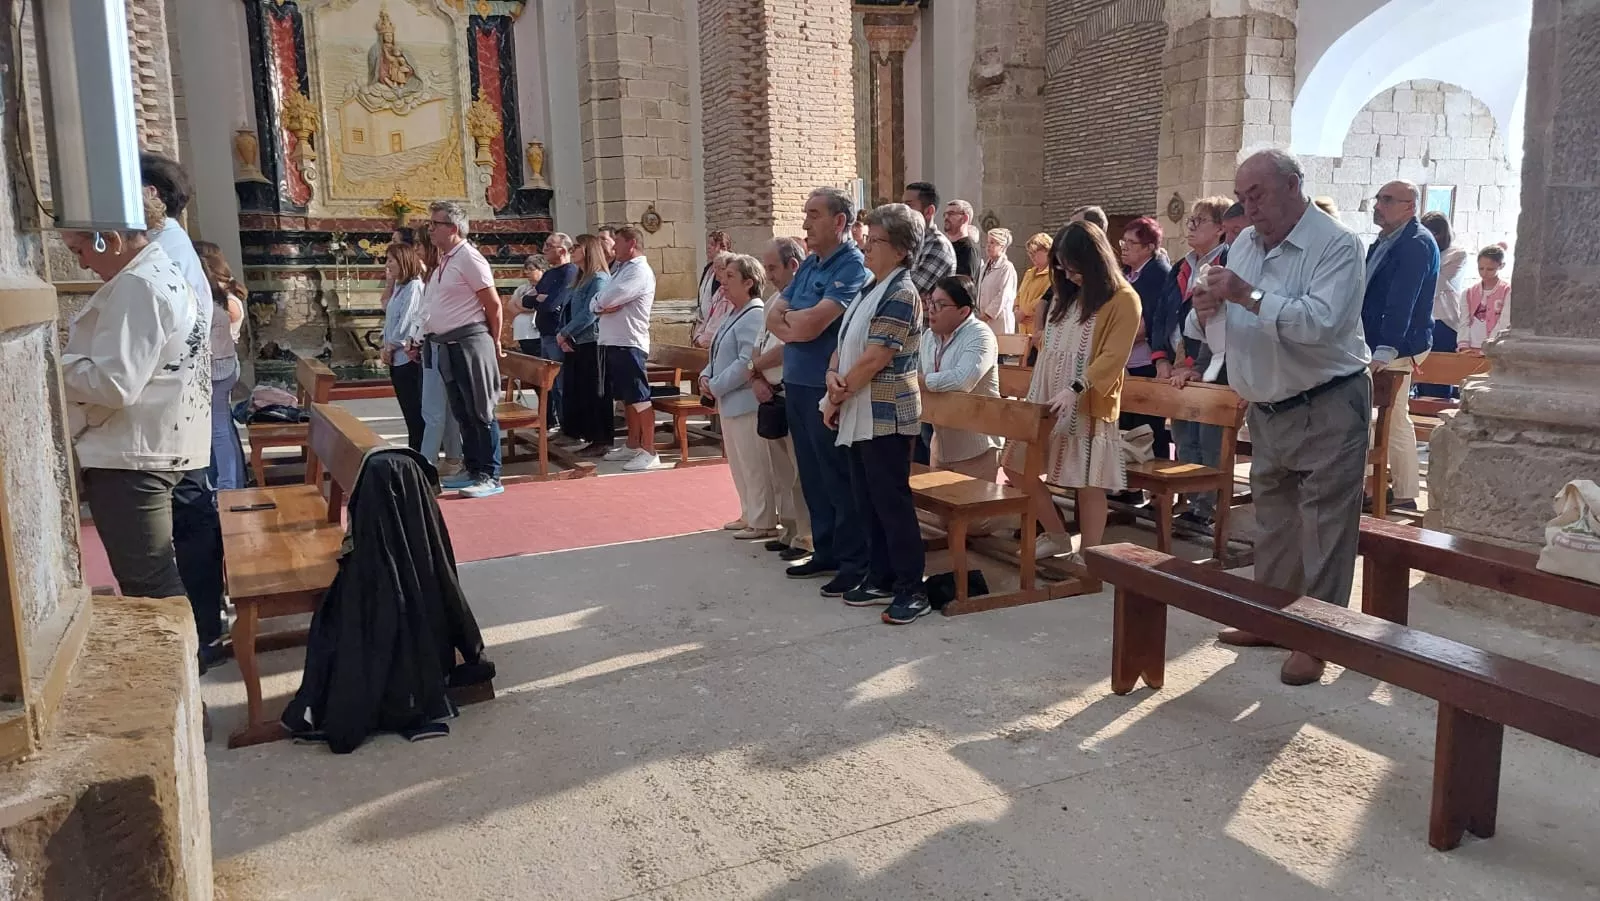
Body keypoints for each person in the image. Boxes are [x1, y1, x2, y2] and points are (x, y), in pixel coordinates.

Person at [1190, 149, 1371, 686]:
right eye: (1243, 198)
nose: (1249, 209)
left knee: (1325, 527)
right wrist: (1206, 314)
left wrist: (1245, 294)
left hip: (1327, 401)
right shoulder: (1243, 243)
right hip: (1269, 406)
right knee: (1275, 520)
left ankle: (1316, 640)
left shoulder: (1335, 245)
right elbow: (1217, 327)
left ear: (1293, 187)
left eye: (1258, 196)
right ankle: (1269, 619)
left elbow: (1321, 324)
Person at [60, 227, 214, 652]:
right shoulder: (163, 272)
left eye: (79, 249)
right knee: (157, 582)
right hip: (157, 445)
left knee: (151, 591)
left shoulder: (138, 284)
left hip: (133, 456)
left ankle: (181, 692)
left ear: (107, 237)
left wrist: (54, 361)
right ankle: (186, 682)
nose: (81, 263)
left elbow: (113, 383)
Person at [1004, 221, 1140, 565]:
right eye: (1062, 267)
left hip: (1086, 398)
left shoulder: (1124, 298)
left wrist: (1075, 388)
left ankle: (1091, 552)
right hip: (1046, 394)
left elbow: (1113, 356)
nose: (1067, 274)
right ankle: (1057, 534)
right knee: (1017, 466)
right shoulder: (1065, 292)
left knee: (1088, 481)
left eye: (1072, 266)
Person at [139, 153, 227, 668]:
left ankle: (201, 631)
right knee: (191, 519)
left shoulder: (165, 253)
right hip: (177, 412)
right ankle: (203, 625)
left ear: (151, 194)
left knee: (190, 521)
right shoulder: (167, 246)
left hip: (174, 414)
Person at [823, 203, 927, 623]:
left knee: (891, 503)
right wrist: (832, 373)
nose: (866, 245)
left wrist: (835, 396)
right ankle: (880, 576)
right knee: (866, 500)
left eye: (877, 239)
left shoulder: (902, 293)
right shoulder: (871, 287)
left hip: (887, 413)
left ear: (901, 249)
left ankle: (912, 589)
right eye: (867, 237)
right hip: (858, 407)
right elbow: (845, 341)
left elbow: (875, 357)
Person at [765, 187, 870, 593]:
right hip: (797, 382)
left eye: (814, 214)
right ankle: (824, 549)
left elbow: (809, 325)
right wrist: (795, 322)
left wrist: (795, 323)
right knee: (811, 476)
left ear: (839, 222)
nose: (805, 222)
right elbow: (775, 312)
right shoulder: (810, 265)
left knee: (837, 477)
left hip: (828, 389)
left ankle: (852, 560)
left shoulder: (851, 266)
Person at [1151, 197, 1233, 531]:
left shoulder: (1226, 264)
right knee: (1184, 434)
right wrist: (1160, 359)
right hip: (1179, 364)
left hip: (1212, 364)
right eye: (1191, 221)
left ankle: (1207, 506)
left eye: (1200, 221)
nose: (1192, 227)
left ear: (1220, 229)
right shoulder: (1181, 265)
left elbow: (1218, 319)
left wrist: (1191, 362)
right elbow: (1161, 313)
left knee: (1208, 437)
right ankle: (1190, 499)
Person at [1362, 180, 1438, 513]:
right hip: (1377, 341)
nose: (1379, 205)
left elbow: (1402, 301)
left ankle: (1399, 493)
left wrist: (1386, 348)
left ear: (1411, 206)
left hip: (1400, 343)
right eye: (1378, 198)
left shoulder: (1416, 243)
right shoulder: (1385, 241)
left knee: (1389, 417)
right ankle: (1386, 488)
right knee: (1382, 417)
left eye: (1388, 200)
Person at [422, 200, 506, 499]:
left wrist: (494, 340)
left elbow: (493, 304)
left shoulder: (469, 258)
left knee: (481, 409)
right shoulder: (444, 260)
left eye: (435, 224)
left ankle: (490, 474)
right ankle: (472, 468)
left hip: (470, 341)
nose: (429, 229)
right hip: (447, 344)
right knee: (462, 411)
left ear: (453, 228)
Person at [700, 255, 777, 539]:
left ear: (749, 282)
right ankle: (748, 512)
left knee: (754, 464)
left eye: (730, 276)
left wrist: (716, 385)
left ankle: (764, 520)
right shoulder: (734, 312)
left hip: (745, 401)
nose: (723, 281)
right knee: (739, 463)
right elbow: (719, 350)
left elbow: (747, 361)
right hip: (730, 401)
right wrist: (705, 376)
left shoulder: (754, 313)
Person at [752, 237, 812, 559]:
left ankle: (806, 535)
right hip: (770, 390)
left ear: (793, 265)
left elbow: (790, 346)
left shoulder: (805, 301)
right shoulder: (776, 298)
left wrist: (755, 366)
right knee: (781, 472)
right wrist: (757, 377)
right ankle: (788, 529)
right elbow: (759, 343)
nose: (769, 273)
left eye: (773, 267)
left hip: (792, 390)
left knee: (800, 471)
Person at [920, 274, 1002, 503]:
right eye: (930, 302)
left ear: (964, 311)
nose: (931, 309)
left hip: (976, 447)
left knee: (976, 524)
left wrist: (921, 381)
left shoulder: (980, 335)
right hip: (942, 443)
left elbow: (961, 380)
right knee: (939, 515)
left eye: (940, 304)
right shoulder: (929, 337)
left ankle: (1027, 517)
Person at [592, 226, 660, 471]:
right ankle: (632, 444)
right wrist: (599, 305)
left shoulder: (639, 271)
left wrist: (600, 304)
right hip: (614, 341)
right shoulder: (621, 268)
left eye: (617, 242)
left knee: (640, 397)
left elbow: (611, 298)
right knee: (627, 398)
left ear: (631, 244)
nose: (613, 247)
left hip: (629, 341)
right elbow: (600, 298)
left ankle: (650, 450)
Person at [1118, 216, 1173, 464]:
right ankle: (1129, 486)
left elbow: (1150, 321)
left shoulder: (1157, 274)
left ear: (1149, 247)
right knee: (1128, 425)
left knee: (1149, 429)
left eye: (1132, 243)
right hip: (1126, 359)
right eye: (1124, 242)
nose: (1125, 247)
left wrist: (1114, 348)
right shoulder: (1129, 274)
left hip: (1145, 361)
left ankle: (1154, 493)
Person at [193, 242, 248, 491]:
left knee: (218, 431)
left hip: (217, 369)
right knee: (223, 426)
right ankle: (232, 479)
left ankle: (227, 485)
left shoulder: (221, 302)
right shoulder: (225, 296)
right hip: (225, 366)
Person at [555, 234, 615, 455]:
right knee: (577, 390)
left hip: (592, 341)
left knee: (594, 390)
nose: (572, 250)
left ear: (589, 250)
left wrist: (565, 333)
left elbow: (589, 313)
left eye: (577, 247)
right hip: (575, 341)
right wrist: (563, 336)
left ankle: (601, 439)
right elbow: (567, 311)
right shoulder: (579, 279)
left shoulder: (599, 279)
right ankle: (578, 432)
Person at [380, 242, 428, 451]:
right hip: (396, 356)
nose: (387, 264)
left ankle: (419, 451)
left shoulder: (415, 286)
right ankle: (415, 447)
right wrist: (390, 283)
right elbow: (388, 311)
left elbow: (407, 322)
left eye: (391, 260)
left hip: (406, 357)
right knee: (408, 409)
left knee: (414, 408)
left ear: (403, 260)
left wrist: (390, 347)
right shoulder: (400, 286)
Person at [1418, 212, 1466, 399]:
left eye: (1436, 233)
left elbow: (1436, 283)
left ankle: (1436, 411)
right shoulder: (1419, 252)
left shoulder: (1457, 255)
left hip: (1444, 319)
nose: (1432, 238)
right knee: (1420, 370)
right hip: (1421, 316)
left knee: (1440, 372)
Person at [901, 182, 956, 296]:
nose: (903, 212)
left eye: (909, 206)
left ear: (929, 211)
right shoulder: (908, 242)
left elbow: (907, 292)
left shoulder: (938, 246)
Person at [1460, 244, 1511, 353]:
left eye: (1490, 269)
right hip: (1471, 347)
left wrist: (1489, 346)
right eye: (1481, 268)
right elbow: (1464, 321)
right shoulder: (1468, 293)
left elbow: (1504, 321)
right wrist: (1463, 345)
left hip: (1494, 347)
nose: (1484, 273)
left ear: (1501, 266)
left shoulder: (1507, 291)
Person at [692, 252, 736, 348]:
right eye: (715, 268)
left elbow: (719, 324)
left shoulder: (731, 297)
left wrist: (701, 340)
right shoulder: (720, 291)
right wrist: (698, 335)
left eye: (720, 269)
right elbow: (708, 317)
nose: (716, 274)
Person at [979, 228, 1018, 333]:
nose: (988, 246)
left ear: (1002, 246)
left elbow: (1004, 295)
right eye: (987, 242)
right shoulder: (984, 268)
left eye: (992, 243)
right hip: (983, 321)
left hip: (999, 322)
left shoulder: (1007, 268)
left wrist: (987, 314)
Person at [508, 256, 547, 357]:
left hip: (538, 333)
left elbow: (541, 306)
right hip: (522, 333)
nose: (527, 272)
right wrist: (528, 305)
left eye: (531, 269)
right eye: (526, 269)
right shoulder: (522, 289)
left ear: (542, 270)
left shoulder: (547, 287)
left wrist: (521, 304)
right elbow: (511, 307)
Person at [1015, 233, 1053, 336]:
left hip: (1037, 330)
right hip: (1023, 330)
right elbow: (1019, 295)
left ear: (1047, 251)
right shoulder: (1029, 273)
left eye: (1035, 252)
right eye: (1030, 253)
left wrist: (1024, 312)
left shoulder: (1053, 274)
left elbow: (1045, 297)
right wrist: (1016, 310)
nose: (1032, 257)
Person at [695, 230, 731, 333]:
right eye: (708, 244)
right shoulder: (708, 268)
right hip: (703, 323)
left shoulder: (726, 271)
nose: (708, 247)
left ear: (723, 248)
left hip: (716, 324)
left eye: (712, 244)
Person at [944, 200, 982, 279]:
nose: (946, 217)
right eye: (945, 214)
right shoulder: (945, 246)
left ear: (965, 218)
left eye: (951, 214)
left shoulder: (969, 249)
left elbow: (964, 286)